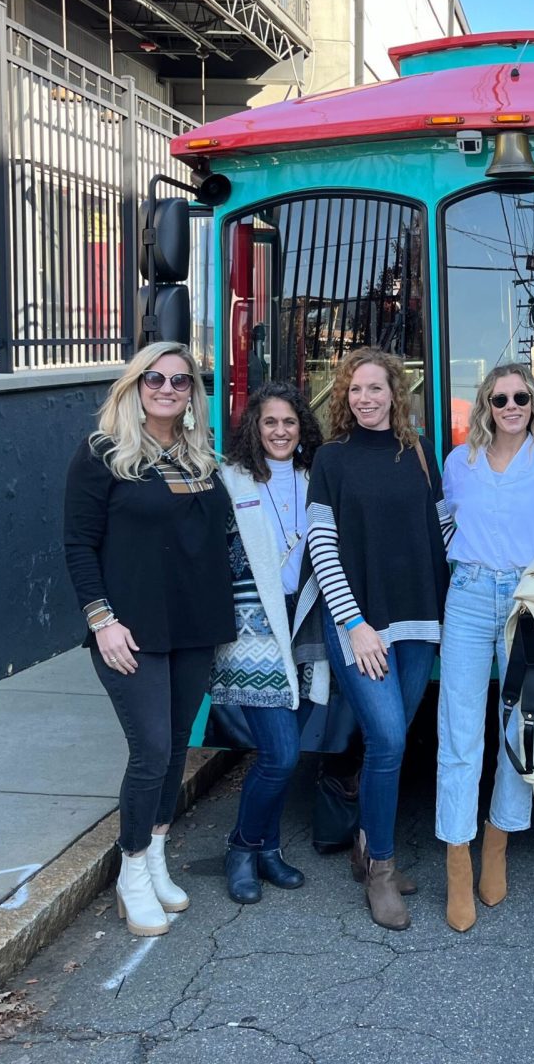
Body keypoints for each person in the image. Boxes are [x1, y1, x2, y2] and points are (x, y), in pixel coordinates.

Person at [64, 342, 234, 937]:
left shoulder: (201, 460)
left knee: (174, 755)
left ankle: (156, 856)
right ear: (135, 385)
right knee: (152, 751)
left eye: (180, 381)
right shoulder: (102, 455)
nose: (167, 388)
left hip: (192, 627)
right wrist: (101, 621)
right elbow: (78, 546)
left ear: (192, 394)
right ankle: (131, 871)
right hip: (128, 630)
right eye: (155, 378)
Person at [299, 346, 452, 931]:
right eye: (356, 390)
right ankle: (382, 870)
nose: (366, 398)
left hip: (420, 623)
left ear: (395, 394)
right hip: (360, 627)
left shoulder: (417, 453)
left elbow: (443, 529)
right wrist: (355, 624)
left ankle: (367, 845)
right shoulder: (332, 462)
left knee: (391, 740)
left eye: (376, 388)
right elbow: (323, 548)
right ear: (345, 396)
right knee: (387, 740)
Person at [437, 364, 534, 932]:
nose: (511, 406)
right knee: (459, 730)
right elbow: (447, 523)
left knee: (520, 727)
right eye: (500, 399)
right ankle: (457, 862)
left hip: (527, 601)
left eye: (521, 396)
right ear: (486, 406)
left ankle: (498, 842)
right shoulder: (458, 463)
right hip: (468, 597)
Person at [211, 382, 325, 905]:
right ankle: (241, 848)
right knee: (278, 754)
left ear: (302, 429)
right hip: (252, 632)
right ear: (255, 429)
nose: (280, 432)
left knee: (289, 751)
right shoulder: (230, 479)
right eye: (270, 423)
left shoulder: (316, 476)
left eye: (289, 423)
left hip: (305, 625)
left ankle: (269, 849)